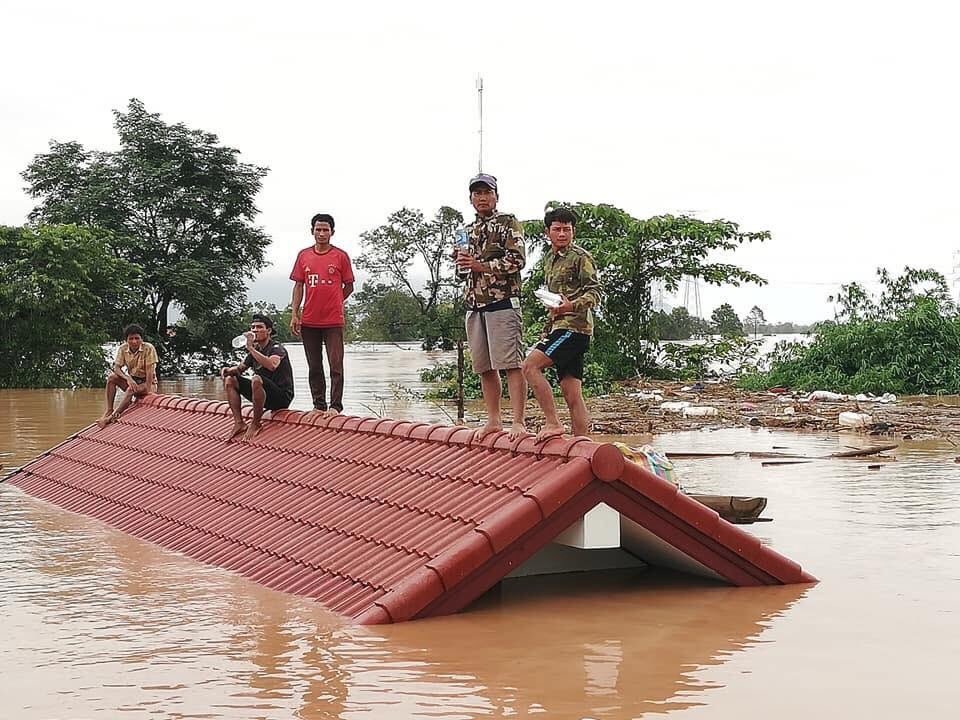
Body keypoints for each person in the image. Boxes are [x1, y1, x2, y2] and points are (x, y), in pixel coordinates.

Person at [455, 173, 528, 438]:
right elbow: (462, 273)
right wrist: (462, 263)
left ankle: (518, 421)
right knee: (484, 367)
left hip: (503, 302)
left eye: (487, 192)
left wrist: (480, 265)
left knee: (511, 363)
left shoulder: (508, 223)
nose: (482, 197)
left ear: (496, 196)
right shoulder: (466, 231)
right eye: (477, 193)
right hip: (474, 305)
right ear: (471, 198)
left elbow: (517, 261)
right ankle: (494, 419)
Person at [522, 207, 601, 440]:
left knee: (530, 366)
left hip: (574, 328)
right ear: (548, 232)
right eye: (557, 229)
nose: (562, 233)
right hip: (559, 327)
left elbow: (595, 292)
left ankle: (553, 423)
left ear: (573, 231)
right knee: (571, 391)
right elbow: (555, 301)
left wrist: (571, 306)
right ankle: (580, 443)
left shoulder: (580, 257)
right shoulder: (549, 260)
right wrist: (547, 328)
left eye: (567, 229)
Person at [290, 213, 355, 414]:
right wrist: (295, 314)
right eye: (318, 229)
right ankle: (318, 405)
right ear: (312, 231)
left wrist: (336, 300)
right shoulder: (304, 256)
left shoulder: (340, 256)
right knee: (314, 366)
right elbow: (298, 286)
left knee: (336, 365)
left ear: (332, 232)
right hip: (309, 320)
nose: (321, 233)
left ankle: (335, 406)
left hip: (333, 320)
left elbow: (349, 286)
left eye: (325, 230)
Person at [220, 314, 295, 440]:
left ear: (269, 331)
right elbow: (240, 369)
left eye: (259, 327)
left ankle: (256, 423)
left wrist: (250, 348)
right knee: (231, 380)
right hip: (262, 392)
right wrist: (227, 371)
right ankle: (239, 423)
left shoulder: (277, 348)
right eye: (253, 327)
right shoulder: (255, 350)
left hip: (281, 396)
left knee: (256, 379)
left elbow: (272, 365)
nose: (255, 330)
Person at [96, 324, 158, 428]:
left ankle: (111, 417)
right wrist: (127, 378)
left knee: (130, 390)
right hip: (133, 380)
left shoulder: (149, 348)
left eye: (137, 338)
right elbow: (116, 368)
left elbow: (150, 373)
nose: (134, 342)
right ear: (126, 340)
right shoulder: (123, 348)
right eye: (131, 339)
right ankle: (109, 409)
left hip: (148, 383)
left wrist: (146, 389)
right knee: (112, 378)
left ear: (142, 339)